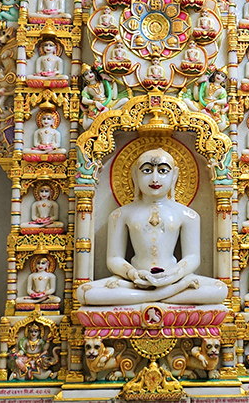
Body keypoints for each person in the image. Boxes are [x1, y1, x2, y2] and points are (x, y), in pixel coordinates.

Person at [75, 149, 228, 305]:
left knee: (220, 289)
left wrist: (174, 274)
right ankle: (164, 295)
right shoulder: (120, 215)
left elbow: (192, 257)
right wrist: (133, 274)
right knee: (84, 292)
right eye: (147, 170)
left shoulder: (189, 216)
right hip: (134, 281)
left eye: (163, 171)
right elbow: (114, 258)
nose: (155, 179)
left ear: (174, 175)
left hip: (174, 279)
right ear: (135, 174)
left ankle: (151, 296)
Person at [80, 63, 128, 129]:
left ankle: (107, 111)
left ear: (94, 73)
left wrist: (113, 82)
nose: (90, 75)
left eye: (91, 72)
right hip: (97, 106)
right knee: (86, 126)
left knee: (126, 100)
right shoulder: (87, 88)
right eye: (86, 74)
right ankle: (86, 112)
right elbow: (84, 100)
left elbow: (113, 96)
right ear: (84, 78)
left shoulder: (102, 83)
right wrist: (95, 103)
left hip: (107, 102)